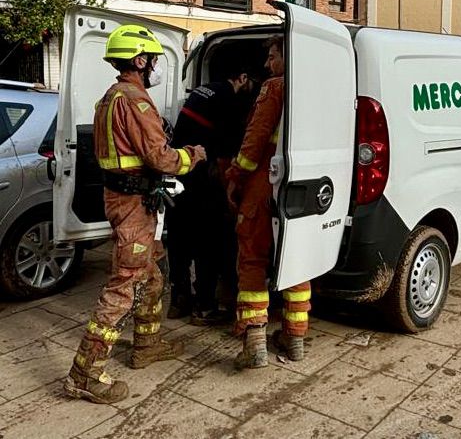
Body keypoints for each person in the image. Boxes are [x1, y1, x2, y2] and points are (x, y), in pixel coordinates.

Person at [64, 25, 206, 404]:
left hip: (127, 201)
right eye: (155, 60)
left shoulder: (109, 98)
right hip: (132, 209)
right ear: (140, 61)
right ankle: (85, 373)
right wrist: (193, 155)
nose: (157, 67)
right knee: (122, 287)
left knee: (154, 275)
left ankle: (147, 344)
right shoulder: (136, 102)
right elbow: (162, 158)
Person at [226, 36, 311, 369]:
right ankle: (295, 338)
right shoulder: (324, 89)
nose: (267, 64)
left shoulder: (275, 87)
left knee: (252, 260)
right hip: (306, 187)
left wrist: (235, 175)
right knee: (299, 261)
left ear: (287, 56)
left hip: (266, 185)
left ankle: (255, 342)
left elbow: (255, 140)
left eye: (273, 56)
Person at [166, 63, 256, 325]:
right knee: (209, 241)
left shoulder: (200, 91)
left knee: (180, 240)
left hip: (181, 172)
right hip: (205, 177)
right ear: (242, 76)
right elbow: (227, 152)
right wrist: (232, 187)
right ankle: (204, 308)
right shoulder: (230, 99)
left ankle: (179, 300)